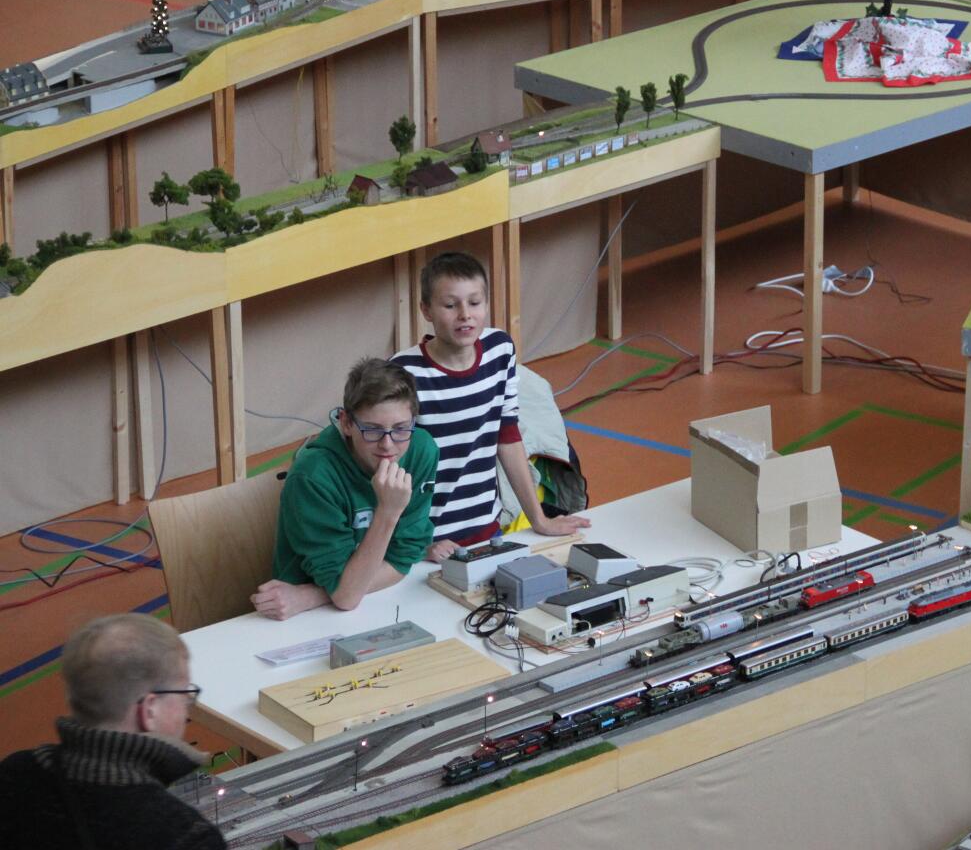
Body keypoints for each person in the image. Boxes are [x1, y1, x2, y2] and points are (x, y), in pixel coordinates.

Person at [393, 251, 589, 561]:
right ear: (426, 310)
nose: (465, 315)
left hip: (486, 531)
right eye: (450, 305)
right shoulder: (403, 372)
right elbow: (391, 465)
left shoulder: (500, 350)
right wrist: (417, 545)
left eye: (474, 302)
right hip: (427, 543)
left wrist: (539, 519)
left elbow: (508, 437)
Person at [0, 615, 225, 850]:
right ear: (150, 710)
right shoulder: (185, 836)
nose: (187, 703)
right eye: (184, 693)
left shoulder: (14, 772)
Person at [253, 358, 438, 620]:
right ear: (346, 423)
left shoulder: (422, 450)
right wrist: (388, 511)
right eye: (372, 430)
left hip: (369, 600)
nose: (388, 445)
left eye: (400, 429)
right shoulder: (312, 476)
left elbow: (402, 559)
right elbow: (347, 597)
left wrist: (312, 596)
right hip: (306, 620)